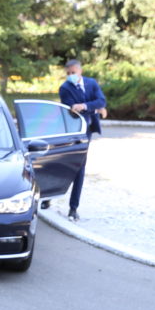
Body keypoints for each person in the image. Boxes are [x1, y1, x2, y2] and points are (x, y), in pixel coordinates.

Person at [57, 59, 106, 222]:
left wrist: (85, 106)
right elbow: (71, 110)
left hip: (87, 131)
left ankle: (73, 207)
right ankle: (51, 194)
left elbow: (101, 101)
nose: (71, 76)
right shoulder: (65, 88)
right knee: (66, 165)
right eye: (68, 73)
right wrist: (94, 108)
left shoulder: (91, 84)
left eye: (73, 73)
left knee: (80, 167)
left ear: (80, 71)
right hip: (73, 131)